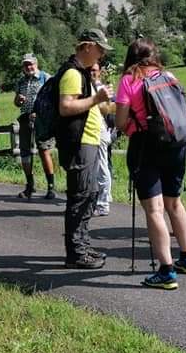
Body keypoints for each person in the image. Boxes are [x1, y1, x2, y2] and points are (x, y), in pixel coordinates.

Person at [115, 37, 186, 290]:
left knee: (154, 209)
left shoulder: (128, 81)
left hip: (145, 146)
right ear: (154, 55)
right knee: (175, 202)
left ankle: (166, 270)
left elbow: (119, 122)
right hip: (176, 144)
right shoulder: (169, 76)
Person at [56, 29, 114, 269]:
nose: (101, 55)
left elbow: (95, 108)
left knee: (88, 196)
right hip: (79, 143)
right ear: (88, 46)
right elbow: (66, 107)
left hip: (88, 142)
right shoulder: (72, 73)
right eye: (99, 49)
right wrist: (96, 99)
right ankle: (76, 253)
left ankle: (82, 246)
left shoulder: (81, 74)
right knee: (80, 198)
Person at [14, 53, 57, 200]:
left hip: (42, 119)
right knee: (25, 153)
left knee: (44, 150)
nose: (28, 67)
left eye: (30, 64)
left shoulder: (46, 78)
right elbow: (16, 102)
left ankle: (51, 187)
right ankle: (30, 185)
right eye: (25, 65)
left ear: (36, 64)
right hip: (25, 118)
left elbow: (54, 99)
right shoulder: (20, 81)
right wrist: (18, 100)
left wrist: (42, 113)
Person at [90, 63, 115, 217]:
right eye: (90, 70)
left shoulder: (101, 88)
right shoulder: (87, 86)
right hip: (90, 131)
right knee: (94, 168)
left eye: (94, 70)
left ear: (99, 72)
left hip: (100, 130)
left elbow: (108, 109)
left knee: (101, 167)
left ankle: (103, 203)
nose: (91, 72)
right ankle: (96, 201)